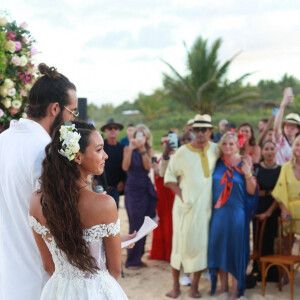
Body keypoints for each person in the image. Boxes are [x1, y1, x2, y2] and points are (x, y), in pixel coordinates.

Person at [0, 63, 78, 300]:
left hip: (7, 281)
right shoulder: (44, 151)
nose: (73, 121)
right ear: (55, 108)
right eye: (72, 112)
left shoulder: (3, 140)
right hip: (40, 283)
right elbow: (58, 224)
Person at [29, 121, 128, 299]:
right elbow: (114, 269)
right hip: (96, 292)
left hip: (57, 292)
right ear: (78, 157)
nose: (105, 156)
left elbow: (49, 266)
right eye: (99, 150)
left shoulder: (37, 202)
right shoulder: (105, 204)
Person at [164, 114, 220, 298]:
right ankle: (176, 287)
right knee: (179, 247)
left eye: (204, 129)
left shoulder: (215, 149)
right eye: (197, 130)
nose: (200, 133)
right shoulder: (182, 152)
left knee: (200, 248)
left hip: (206, 210)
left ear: (211, 131)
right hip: (184, 210)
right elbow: (169, 177)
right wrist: (182, 197)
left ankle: (194, 288)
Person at [208, 132, 258, 299]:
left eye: (231, 144)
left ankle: (236, 289)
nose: (228, 147)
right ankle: (223, 287)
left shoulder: (244, 163)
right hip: (218, 214)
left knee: (236, 250)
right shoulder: (216, 163)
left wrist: (248, 173)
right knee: (219, 248)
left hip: (237, 214)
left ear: (238, 146)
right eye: (225, 144)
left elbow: (252, 191)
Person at [122, 124, 157, 269]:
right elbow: (125, 166)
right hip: (132, 189)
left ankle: (139, 257)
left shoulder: (149, 151)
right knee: (135, 224)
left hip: (146, 189)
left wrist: (142, 149)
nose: (139, 138)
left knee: (145, 224)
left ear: (146, 137)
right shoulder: (127, 148)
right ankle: (131, 260)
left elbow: (148, 167)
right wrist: (131, 149)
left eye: (142, 135)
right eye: (137, 134)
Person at [248, 140, 281, 285]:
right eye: (266, 149)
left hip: (274, 209)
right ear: (262, 152)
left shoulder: (281, 169)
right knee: (257, 239)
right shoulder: (256, 168)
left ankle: (272, 271)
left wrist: (268, 195)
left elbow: (280, 193)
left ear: (276, 150)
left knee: (271, 239)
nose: (269, 151)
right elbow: (253, 190)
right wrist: (269, 192)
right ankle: (258, 269)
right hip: (258, 209)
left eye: (271, 148)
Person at [272, 134, 300, 247]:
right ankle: (288, 266)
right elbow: (280, 191)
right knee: (287, 244)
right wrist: (283, 210)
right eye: (297, 145)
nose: (299, 148)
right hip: (289, 211)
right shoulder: (286, 167)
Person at [94, 118, 126, 208]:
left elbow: (124, 167)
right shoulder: (100, 147)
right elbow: (95, 161)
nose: (113, 130)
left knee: (114, 213)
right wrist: (95, 178)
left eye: (115, 128)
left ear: (118, 131)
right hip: (100, 186)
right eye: (110, 128)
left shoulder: (122, 148)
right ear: (105, 130)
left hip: (115, 188)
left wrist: (123, 181)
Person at [273, 88, 300, 165]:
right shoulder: (280, 139)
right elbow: (276, 128)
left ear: (298, 130)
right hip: (279, 174)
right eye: (287, 126)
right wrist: (282, 105)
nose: (289, 129)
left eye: (293, 127)